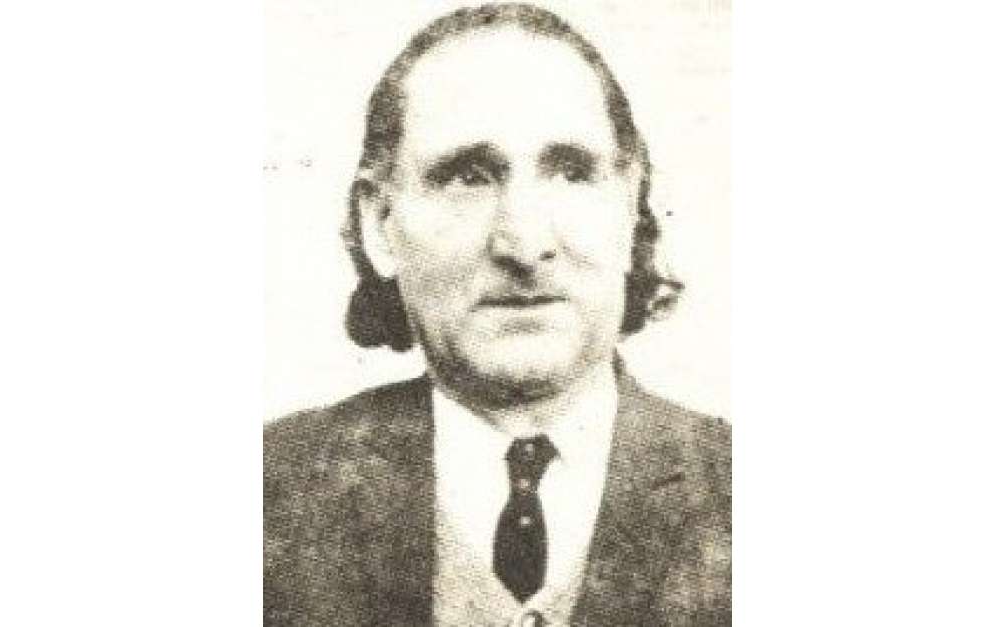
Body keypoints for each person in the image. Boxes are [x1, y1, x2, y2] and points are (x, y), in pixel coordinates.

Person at [264, 4, 730, 625]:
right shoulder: (265, 491)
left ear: (631, 204)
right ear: (379, 223)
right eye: (467, 177)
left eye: (572, 172)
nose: (524, 243)